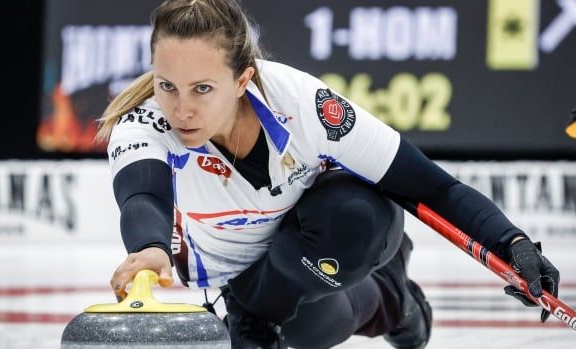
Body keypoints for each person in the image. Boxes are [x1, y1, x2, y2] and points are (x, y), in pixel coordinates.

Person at [97, 0, 560, 348]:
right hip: (245, 275)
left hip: (320, 233)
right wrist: (150, 249)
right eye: (167, 86)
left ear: (243, 81)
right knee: (314, 330)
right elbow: (143, 196)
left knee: (357, 216)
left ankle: (306, 305)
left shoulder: (302, 103)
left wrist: (512, 243)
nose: (181, 108)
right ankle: (391, 302)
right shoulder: (144, 121)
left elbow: (432, 187)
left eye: (202, 88)